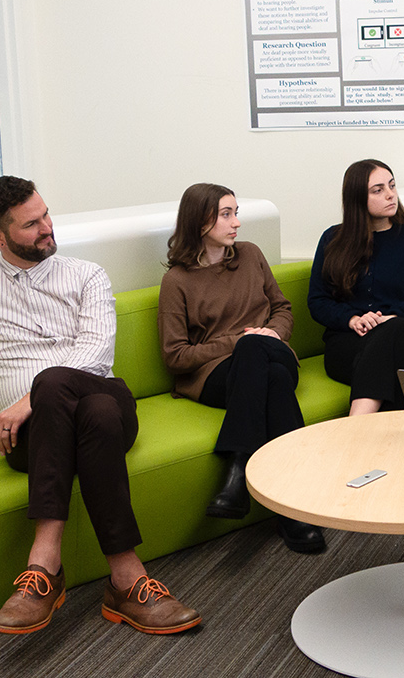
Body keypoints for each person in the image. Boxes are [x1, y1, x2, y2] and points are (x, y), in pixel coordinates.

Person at [0, 177, 199, 636]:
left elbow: (94, 354)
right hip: (35, 439)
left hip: (96, 396)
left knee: (62, 387)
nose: (48, 227)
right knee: (94, 416)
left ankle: (44, 567)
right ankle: (128, 582)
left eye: (46, 214)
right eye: (32, 224)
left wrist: (24, 401)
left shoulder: (86, 274)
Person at [158, 182, 325, 553]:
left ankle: (237, 471)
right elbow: (175, 356)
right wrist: (239, 340)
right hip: (218, 375)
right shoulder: (177, 281)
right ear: (200, 221)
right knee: (272, 377)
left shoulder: (250, 254)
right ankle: (295, 510)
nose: (236, 223)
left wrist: (271, 333)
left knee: (261, 353)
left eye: (236, 213)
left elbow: (282, 308)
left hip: (274, 351)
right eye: (226, 214)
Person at [308, 159, 404, 415]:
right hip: (350, 343)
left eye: (392, 186)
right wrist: (352, 319)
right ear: (357, 198)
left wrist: (389, 319)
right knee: (392, 368)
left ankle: (355, 426)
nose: (390, 194)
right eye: (378, 190)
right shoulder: (332, 239)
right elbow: (318, 301)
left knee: (392, 333)